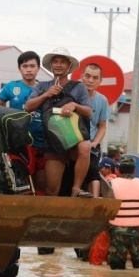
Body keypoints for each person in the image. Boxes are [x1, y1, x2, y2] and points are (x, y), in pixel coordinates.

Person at [24, 46, 93, 198]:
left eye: (63, 61)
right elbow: (27, 107)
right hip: (52, 143)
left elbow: (89, 112)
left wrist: (74, 105)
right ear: (51, 65)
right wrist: (46, 95)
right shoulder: (42, 86)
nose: (59, 64)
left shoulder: (79, 87)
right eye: (56, 61)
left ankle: (76, 189)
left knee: (85, 146)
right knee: (51, 191)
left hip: (73, 140)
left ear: (69, 66)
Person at [0, 51, 45, 192]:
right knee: (21, 184)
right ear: (19, 68)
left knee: (42, 186)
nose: (28, 69)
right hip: (17, 144)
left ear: (38, 68)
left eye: (32, 66)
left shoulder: (45, 88)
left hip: (42, 144)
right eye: (25, 66)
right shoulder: (11, 87)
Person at [107, 156, 139, 270]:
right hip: (138, 229)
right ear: (134, 170)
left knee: (116, 268)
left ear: (119, 170)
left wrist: (106, 226)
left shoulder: (111, 184)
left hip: (117, 229)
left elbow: (103, 206)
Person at [82, 63, 110, 197]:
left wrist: (95, 143)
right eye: (87, 76)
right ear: (82, 76)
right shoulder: (73, 94)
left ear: (100, 81)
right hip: (72, 141)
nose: (90, 80)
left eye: (95, 78)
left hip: (91, 143)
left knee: (93, 170)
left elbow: (102, 126)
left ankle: (95, 201)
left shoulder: (102, 100)